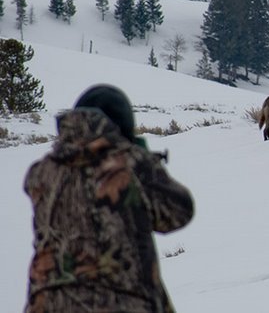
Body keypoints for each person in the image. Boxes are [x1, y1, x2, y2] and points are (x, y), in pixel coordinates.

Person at [23, 84, 194, 313]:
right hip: (119, 302)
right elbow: (179, 212)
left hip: (47, 304)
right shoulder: (130, 165)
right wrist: (143, 160)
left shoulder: (40, 172)